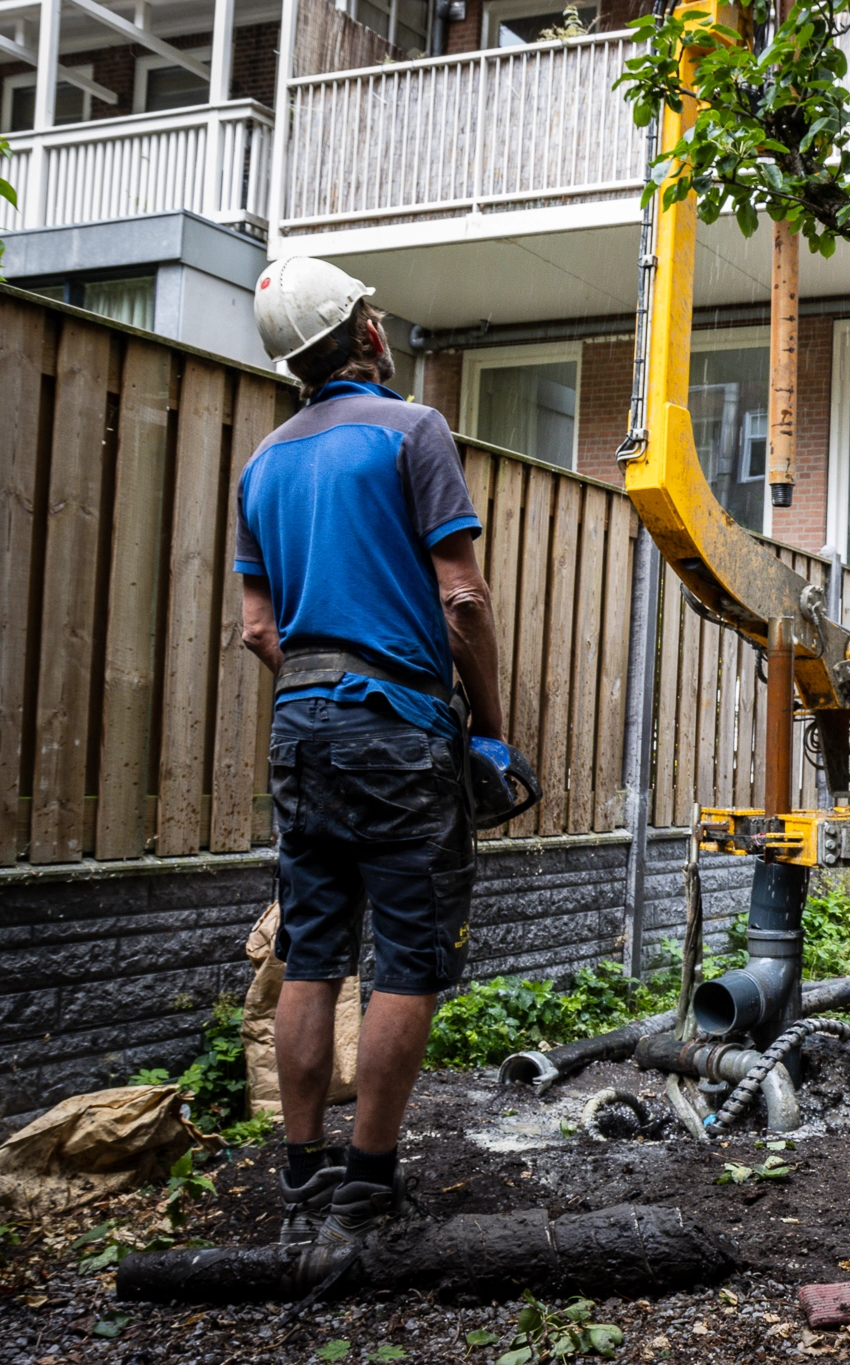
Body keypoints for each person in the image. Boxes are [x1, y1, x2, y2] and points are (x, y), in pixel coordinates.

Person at [238, 257, 505, 1255]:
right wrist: (486, 726)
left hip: (299, 730)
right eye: (370, 313)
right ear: (363, 336)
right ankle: (367, 1186)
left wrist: (319, 700)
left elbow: (259, 629)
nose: (380, 322)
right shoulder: (412, 431)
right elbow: (464, 598)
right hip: (395, 730)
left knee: (312, 953)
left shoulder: (261, 464)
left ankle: (302, 1175)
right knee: (407, 960)